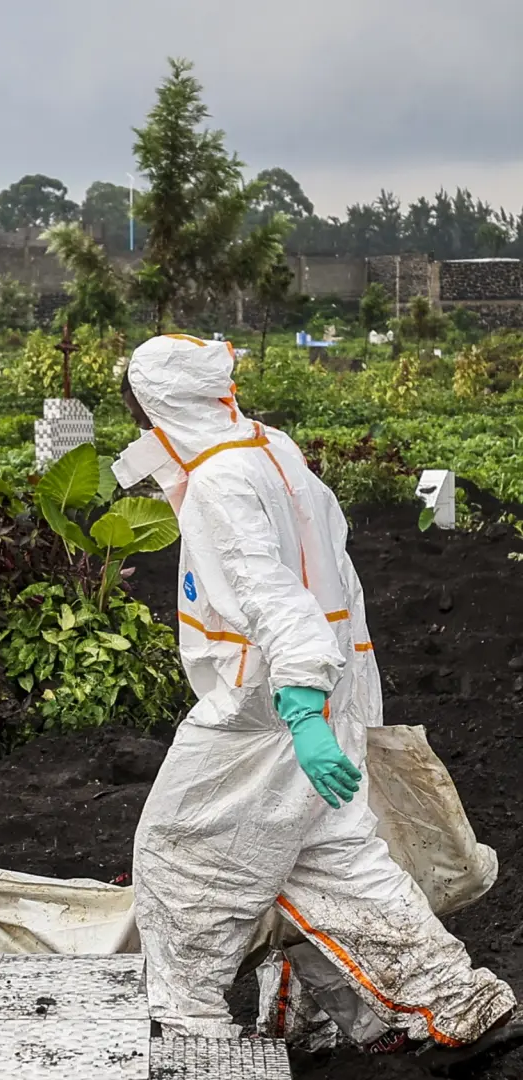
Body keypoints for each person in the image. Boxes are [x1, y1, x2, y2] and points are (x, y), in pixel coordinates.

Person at [120, 333, 519, 1064]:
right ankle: (455, 998)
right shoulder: (271, 450)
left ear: (160, 406)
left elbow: (275, 600)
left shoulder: (218, 482)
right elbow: (334, 571)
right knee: (333, 859)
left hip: (263, 708)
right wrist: (337, 700)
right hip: (321, 690)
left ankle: (186, 1023)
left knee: (180, 856)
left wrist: (301, 708)